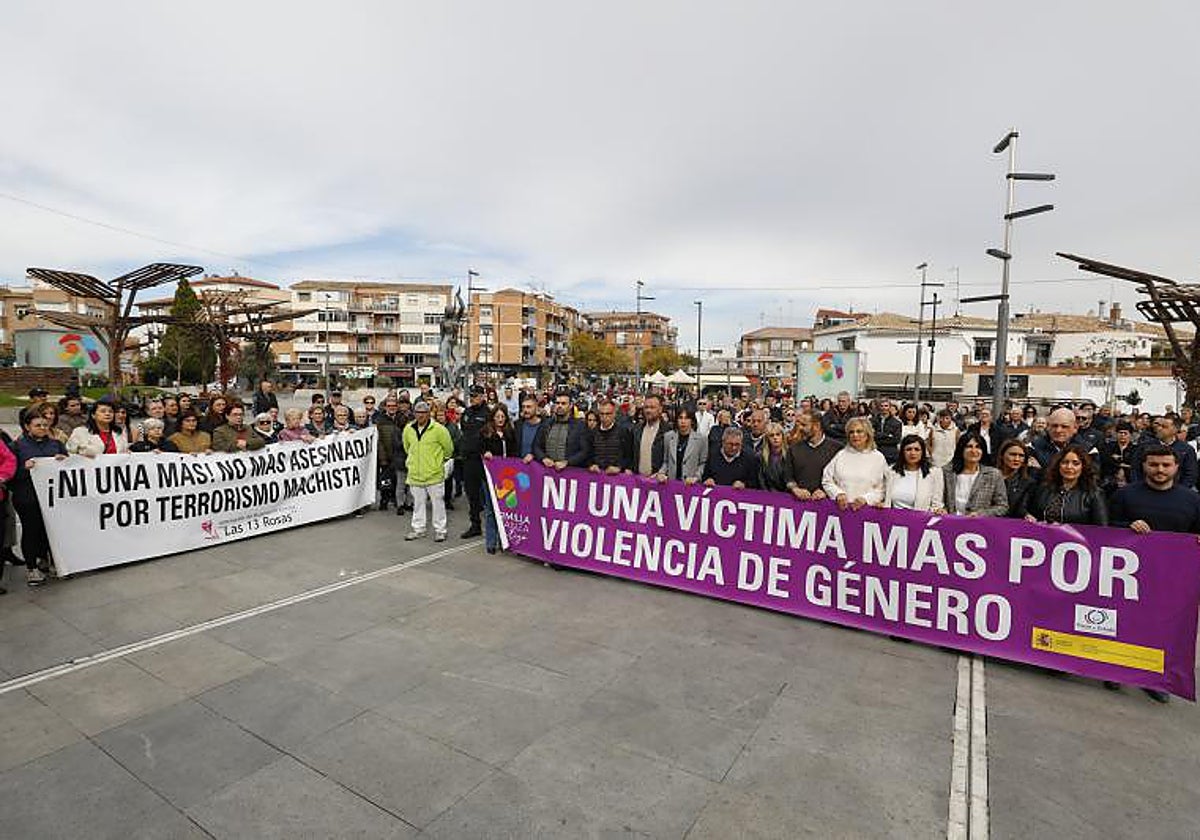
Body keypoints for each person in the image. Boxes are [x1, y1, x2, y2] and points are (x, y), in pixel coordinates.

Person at [9, 412, 66, 586]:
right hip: (27, 496)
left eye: (45, 425)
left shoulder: (56, 444)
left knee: (52, 529)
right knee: (32, 530)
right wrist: (23, 469)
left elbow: (70, 466)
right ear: (27, 427)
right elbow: (9, 474)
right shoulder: (17, 446)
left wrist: (63, 460)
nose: (42, 428)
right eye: (37, 425)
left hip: (53, 496)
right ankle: (32, 568)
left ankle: (48, 560)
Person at [402, 401, 455, 542]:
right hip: (415, 473)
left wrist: (436, 463)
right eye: (418, 412)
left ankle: (440, 530)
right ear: (414, 413)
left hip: (434, 474)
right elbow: (407, 447)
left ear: (429, 413)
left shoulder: (439, 429)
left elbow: (448, 449)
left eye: (423, 412)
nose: (420, 415)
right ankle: (418, 529)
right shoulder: (408, 429)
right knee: (418, 503)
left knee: (438, 503)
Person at [1022, 445, 1108, 526]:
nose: (1069, 467)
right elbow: (1029, 512)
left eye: (1076, 463)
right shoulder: (1044, 488)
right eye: (1065, 462)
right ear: (1058, 465)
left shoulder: (1094, 493)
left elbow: (1100, 530)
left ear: (1083, 467)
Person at [822, 416, 888, 510]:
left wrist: (866, 499)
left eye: (859, 431)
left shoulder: (878, 458)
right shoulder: (840, 455)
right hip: (841, 511)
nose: (855, 435)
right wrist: (837, 494)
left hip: (867, 512)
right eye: (851, 432)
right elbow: (827, 480)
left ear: (867, 434)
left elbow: (883, 488)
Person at [941, 431, 1009, 517]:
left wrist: (981, 514)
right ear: (961, 449)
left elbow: (1002, 506)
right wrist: (943, 509)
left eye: (978, 447)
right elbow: (941, 500)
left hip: (979, 526)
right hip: (950, 523)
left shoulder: (993, 474)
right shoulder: (947, 472)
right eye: (969, 446)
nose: (974, 451)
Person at [479, 405, 516, 554]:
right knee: (490, 509)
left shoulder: (510, 433)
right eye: (497, 417)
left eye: (502, 417)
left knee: (506, 509)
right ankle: (491, 541)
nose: (500, 420)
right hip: (490, 477)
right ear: (492, 418)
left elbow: (514, 452)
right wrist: (485, 453)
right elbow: (480, 448)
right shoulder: (485, 433)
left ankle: (505, 541)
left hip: (507, 478)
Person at [786, 409, 841, 501]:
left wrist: (826, 491)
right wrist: (795, 489)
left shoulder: (837, 449)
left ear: (817, 426)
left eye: (804, 425)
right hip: (799, 504)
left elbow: (841, 479)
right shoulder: (794, 449)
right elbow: (788, 477)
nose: (800, 428)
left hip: (826, 506)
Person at [458, 385, 491, 539]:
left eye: (476, 395)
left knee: (489, 494)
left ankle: (493, 525)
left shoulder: (488, 413)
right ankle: (475, 525)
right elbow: (464, 431)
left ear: (483, 396)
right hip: (469, 459)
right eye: (471, 396)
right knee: (472, 494)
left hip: (484, 460)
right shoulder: (467, 412)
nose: (473, 398)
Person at [1130, 414, 1198, 488]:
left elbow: (1190, 474)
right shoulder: (1145, 447)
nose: (1159, 429)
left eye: (1164, 427)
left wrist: (1179, 492)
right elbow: (1135, 469)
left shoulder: (1186, 450)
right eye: (1159, 426)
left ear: (1175, 429)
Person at [533, 389, 593, 472]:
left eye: (563, 403)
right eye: (557, 403)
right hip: (548, 472)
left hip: (570, 473)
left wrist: (567, 462)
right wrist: (543, 458)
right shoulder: (546, 424)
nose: (559, 406)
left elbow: (585, 451)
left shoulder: (580, 426)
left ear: (571, 405)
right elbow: (536, 446)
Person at [884, 434, 945, 512]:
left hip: (920, 521)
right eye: (908, 449)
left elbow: (936, 504)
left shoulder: (935, 472)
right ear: (902, 452)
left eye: (917, 449)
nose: (912, 453)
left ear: (922, 452)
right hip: (894, 519)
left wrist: (938, 510)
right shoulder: (890, 471)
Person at [657, 407, 707, 485]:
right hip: (672, 484)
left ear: (692, 421)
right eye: (680, 418)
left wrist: (696, 477)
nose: (683, 421)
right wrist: (661, 473)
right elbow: (666, 461)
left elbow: (703, 463)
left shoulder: (702, 439)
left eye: (686, 418)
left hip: (691, 485)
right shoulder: (668, 437)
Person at [589, 398, 633, 474]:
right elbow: (589, 453)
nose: (604, 417)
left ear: (614, 414)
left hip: (617, 477)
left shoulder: (623, 432)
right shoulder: (593, 432)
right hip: (597, 475)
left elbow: (629, 455)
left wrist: (620, 467)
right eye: (602, 414)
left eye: (608, 414)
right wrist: (591, 465)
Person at [996, 438, 1037, 517]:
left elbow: (1022, 508)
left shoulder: (1028, 483)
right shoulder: (989, 477)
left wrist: (1026, 514)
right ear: (1002, 455)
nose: (1017, 459)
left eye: (1021, 456)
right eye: (1012, 454)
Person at [632, 393, 668, 476]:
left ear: (660, 409)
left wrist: (661, 473)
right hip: (638, 480)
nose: (648, 410)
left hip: (658, 482)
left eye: (652, 407)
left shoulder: (667, 431)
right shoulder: (636, 429)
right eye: (646, 407)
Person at [1099, 421, 1137, 496]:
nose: (1122, 435)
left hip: (1129, 482)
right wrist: (1124, 465)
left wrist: (1117, 463)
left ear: (1130, 435)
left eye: (1125, 433)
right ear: (1116, 434)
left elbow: (1134, 464)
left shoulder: (1135, 449)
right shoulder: (1108, 447)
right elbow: (1106, 461)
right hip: (1110, 483)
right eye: (1120, 433)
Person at [758, 421, 794, 492]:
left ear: (782, 436)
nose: (775, 438)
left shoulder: (791, 454)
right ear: (767, 438)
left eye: (778, 434)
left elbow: (792, 478)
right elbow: (761, 479)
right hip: (768, 495)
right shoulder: (760, 456)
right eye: (771, 435)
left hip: (787, 495)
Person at [871, 399, 903, 464]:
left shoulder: (897, 423)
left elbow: (896, 440)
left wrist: (878, 436)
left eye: (886, 406)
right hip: (874, 452)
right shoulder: (872, 421)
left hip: (890, 455)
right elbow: (871, 436)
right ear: (879, 407)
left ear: (889, 407)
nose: (884, 408)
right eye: (882, 406)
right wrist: (887, 435)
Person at [515, 394, 544, 463]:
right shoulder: (517, 425)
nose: (525, 410)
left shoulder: (545, 425)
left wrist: (534, 455)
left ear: (536, 408)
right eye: (523, 407)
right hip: (520, 464)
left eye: (529, 407)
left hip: (538, 465)